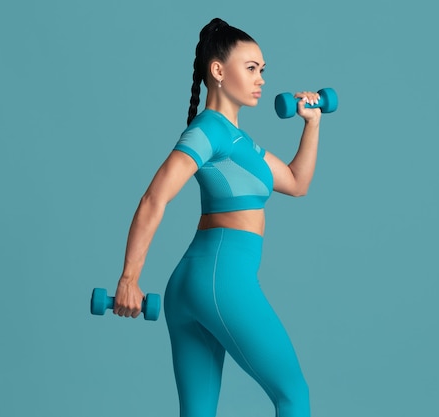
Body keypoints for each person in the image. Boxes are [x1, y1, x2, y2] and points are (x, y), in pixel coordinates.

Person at [112, 17, 323, 417]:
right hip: (222, 280)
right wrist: (129, 278)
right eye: (251, 68)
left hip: (193, 284)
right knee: (293, 394)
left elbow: (297, 182)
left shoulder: (239, 140)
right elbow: (154, 198)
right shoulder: (208, 131)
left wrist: (311, 125)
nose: (261, 78)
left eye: (263, 70)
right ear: (218, 71)